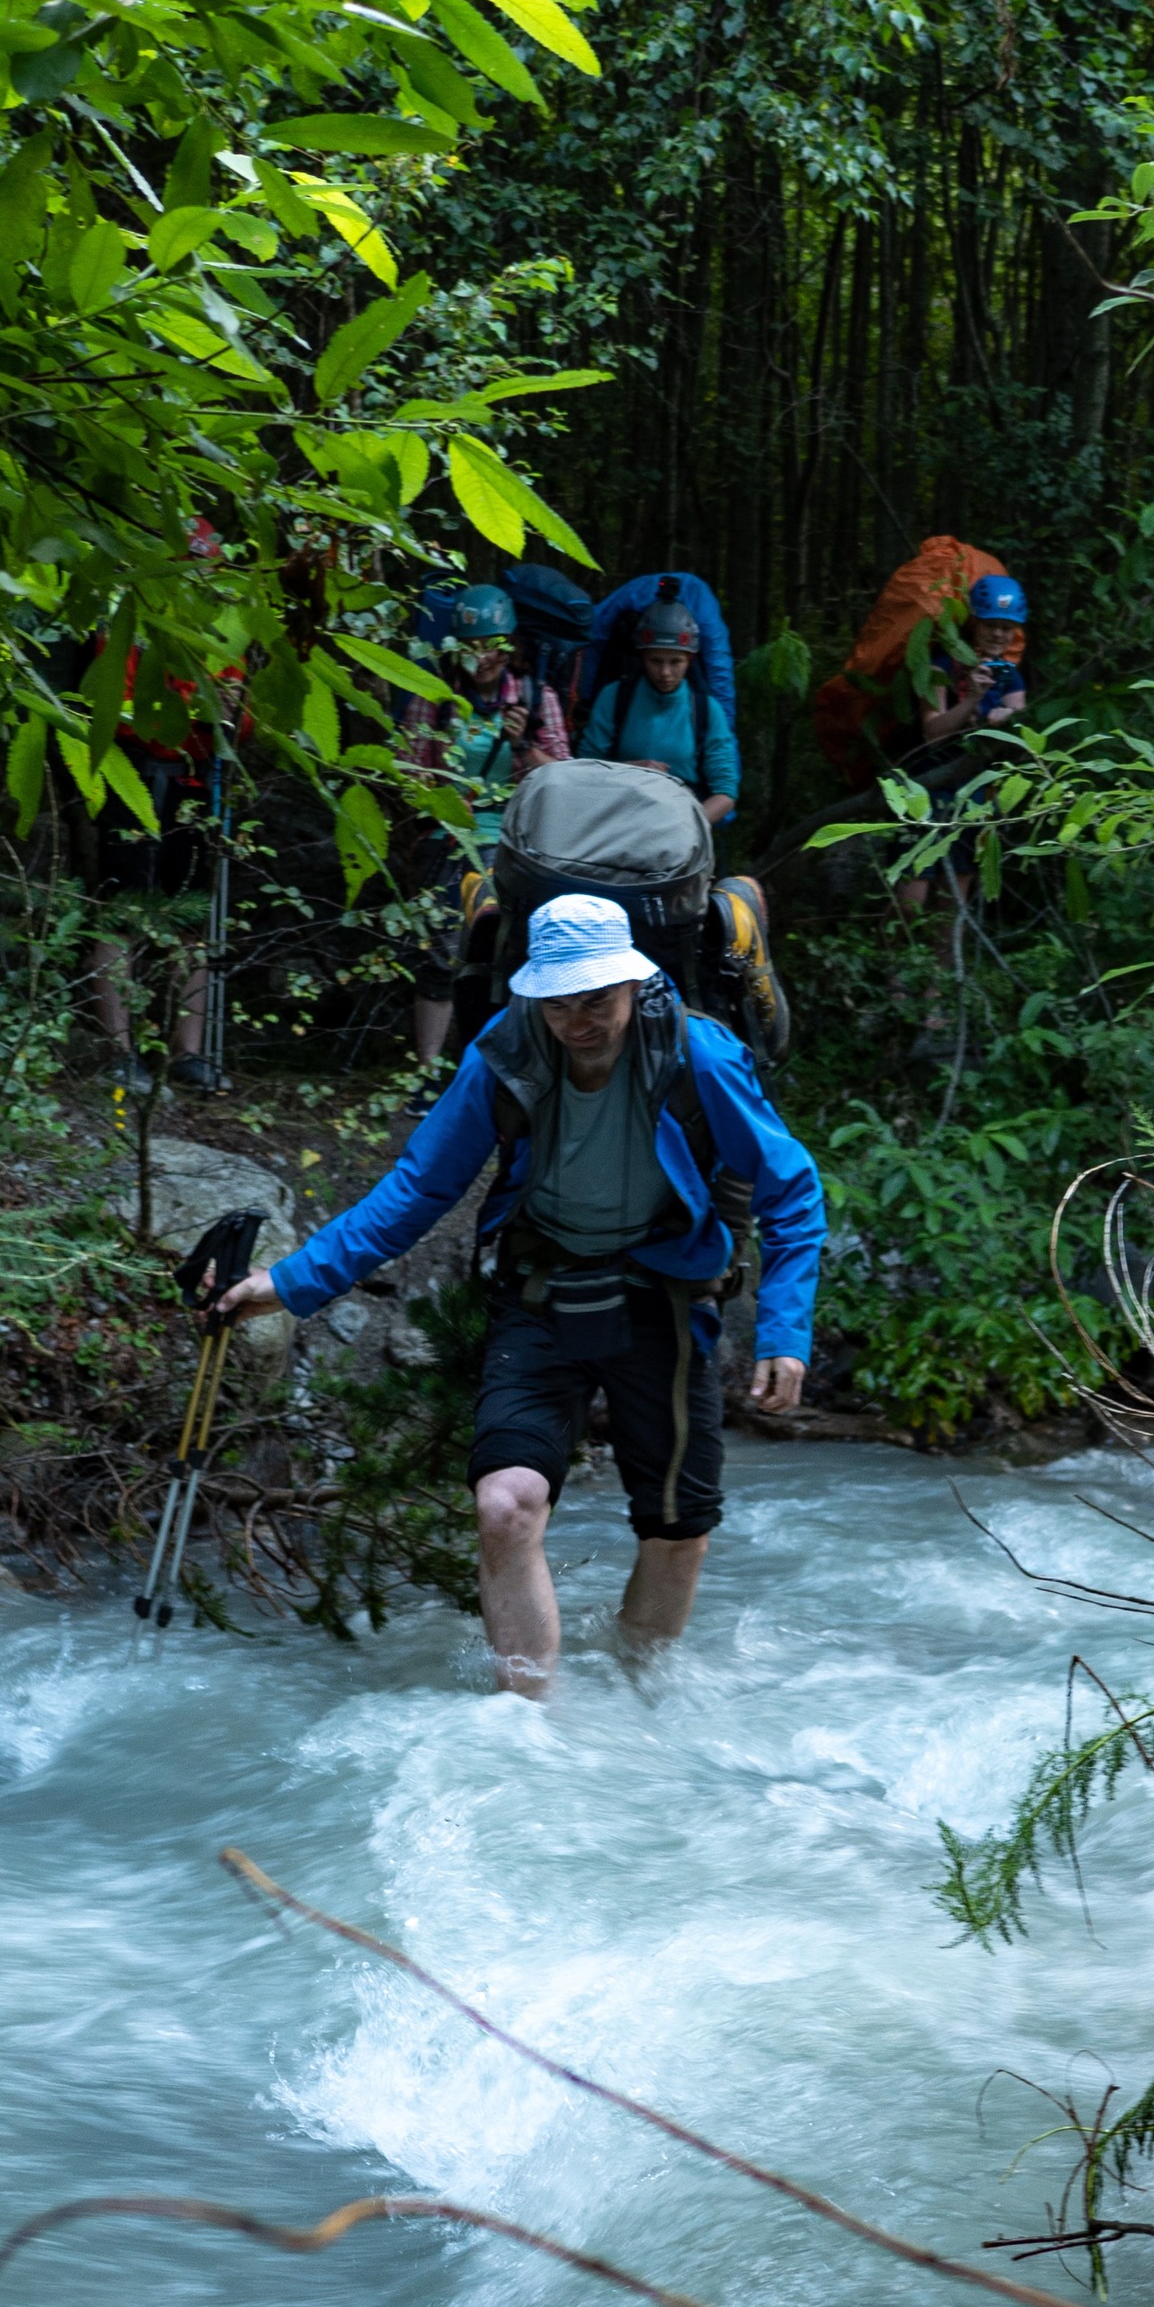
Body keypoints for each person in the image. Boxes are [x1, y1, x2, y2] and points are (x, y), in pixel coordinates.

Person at [213, 891, 823, 1695]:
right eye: (559, 1003)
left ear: (633, 985)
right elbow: (417, 1188)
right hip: (541, 1297)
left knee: (677, 1527)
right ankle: (527, 1737)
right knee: (505, 1505)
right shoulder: (503, 1056)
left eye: (596, 1000)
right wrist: (290, 1283)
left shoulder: (696, 1055)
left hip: (665, 1305)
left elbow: (791, 1188)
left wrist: (784, 1333)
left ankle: (642, 1707)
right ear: (533, 993)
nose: (578, 1020)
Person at [400, 581, 570, 1106]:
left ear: (508, 644)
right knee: (444, 948)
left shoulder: (536, 697)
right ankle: (428, 1073)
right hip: (453, 839)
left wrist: (523, 743)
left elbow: (565, 777)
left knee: (520, 948)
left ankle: (518, 1067)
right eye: (473, 645)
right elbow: (407, 777)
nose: (483, 657)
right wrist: (445, 801)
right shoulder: (436, 700)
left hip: (521, 840)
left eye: (493, 645)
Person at [89, 519, 238, 1093]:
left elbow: (236, 719)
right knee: (123, 914)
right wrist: (191, 705)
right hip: (135, 779)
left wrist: (229, 711)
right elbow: (120, 705)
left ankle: (188, 1054)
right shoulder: (128, 620)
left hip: (199, 788)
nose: (203, 581)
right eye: (194, 569)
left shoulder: (223, 632)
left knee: (194, 921)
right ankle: (120, 1052)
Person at [895, 570, 1032, 921]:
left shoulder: (1011, 675)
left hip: (974, 793)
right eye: (991, 624)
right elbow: (933, 732)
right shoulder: (942, 666)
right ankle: (895, 972)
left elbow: (1021, 726)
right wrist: (972, 699)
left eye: (1007, 627)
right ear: (974, 622)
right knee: (913, 895)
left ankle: (942, 974)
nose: (999, 633)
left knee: (953, 896)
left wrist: (1008, 717)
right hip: (927, 784)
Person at [577, 592, 740, 828]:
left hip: (682, 825)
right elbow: (585, 767)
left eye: (675, 662)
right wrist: (631, 769)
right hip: (616, 820)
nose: (665, 672)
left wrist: (684, 826)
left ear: (689, 660)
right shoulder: (615, 698)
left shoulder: (705, 710)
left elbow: (725, 793)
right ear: (642, 657)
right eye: (656, 661)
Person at [580, 569, 736, 717]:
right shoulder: (698, 599)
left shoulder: (697, 598)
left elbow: (595, 634)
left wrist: (586, 697)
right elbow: (719, 666)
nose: (665, 671)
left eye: (674, 661)